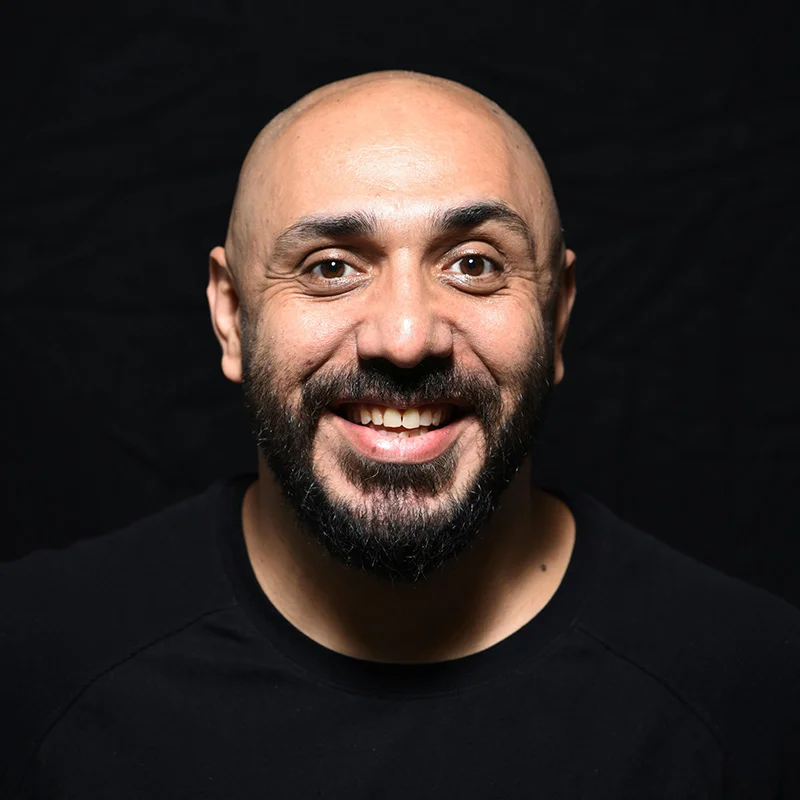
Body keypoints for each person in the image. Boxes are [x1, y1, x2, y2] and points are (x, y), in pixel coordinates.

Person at [1, 70, 798, 799]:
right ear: (232, 317)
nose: (408, 338)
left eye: (475, 264)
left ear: (556, 314)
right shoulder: (31, 661)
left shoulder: (757, 690)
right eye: (330, 268)